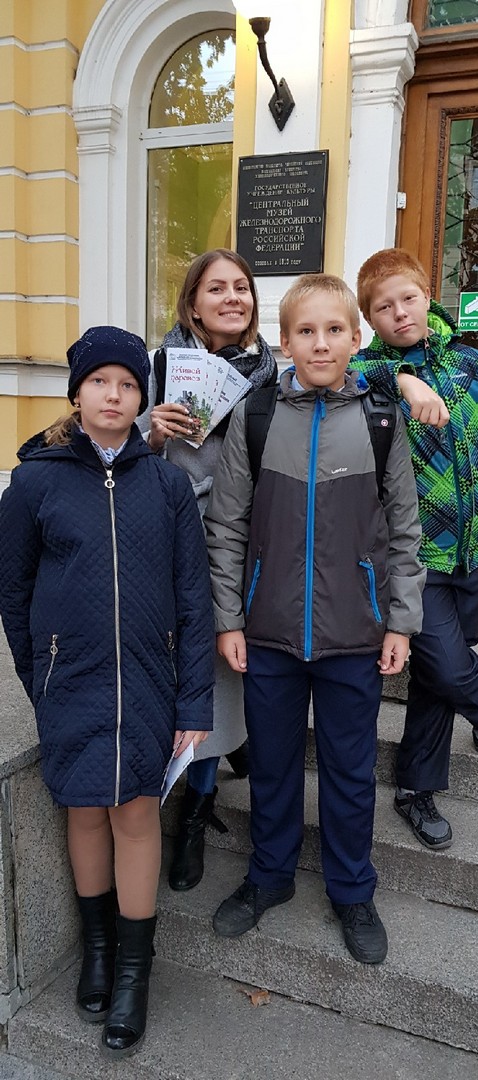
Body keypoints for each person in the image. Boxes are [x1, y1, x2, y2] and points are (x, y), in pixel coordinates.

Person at [0, 326, 215, 1058]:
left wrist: (194, 702)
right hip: (73, 682)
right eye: (100, 382)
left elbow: (193, 598)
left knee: (135, 813)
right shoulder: (35, 483)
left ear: (141, 398)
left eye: (127, 385)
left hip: (151, 682)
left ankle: (132, 973)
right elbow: (13, 589)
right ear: (78, 393)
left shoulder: (167, 485)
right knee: (85, 810)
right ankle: (97, 948)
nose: (114, 395)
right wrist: (40, 675)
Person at [203, 274, 425, 964]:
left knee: (350, 772)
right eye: (306, 331)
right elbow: (226, 525)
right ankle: (268, 876)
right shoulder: (257, 415)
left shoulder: (381, 420)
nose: (320, 343)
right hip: (268, 633)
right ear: (284, 341)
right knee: (271, 765)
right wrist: (228, 619)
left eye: (334, 330)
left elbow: (404, 532)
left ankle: (352, 891)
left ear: (356, 339)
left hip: (355, 636)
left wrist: (399, 622)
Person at [356, 248, 478, 850]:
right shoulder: (364, 377)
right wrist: (401, 378)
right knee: (450, 667)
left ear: (427, 296)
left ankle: (416, 789)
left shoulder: (471, 366)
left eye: (408, 298)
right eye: (384, 307)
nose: (400, 313)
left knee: (437, 677)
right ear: (369, 319)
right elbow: (349, 375)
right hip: (412, 563)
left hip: (471, 554)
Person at [138, 249, 277, 892]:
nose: (232, 297)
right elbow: (106, 444)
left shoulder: (275, 372)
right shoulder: (158, 365)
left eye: (241, 287)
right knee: (183, 671)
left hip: (244, 543)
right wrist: (150, 432)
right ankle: (198, 779)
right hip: (173, 541)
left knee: (223, 671)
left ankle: (198, 804)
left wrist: (408, 382)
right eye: (216, 288)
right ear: (193, 302)